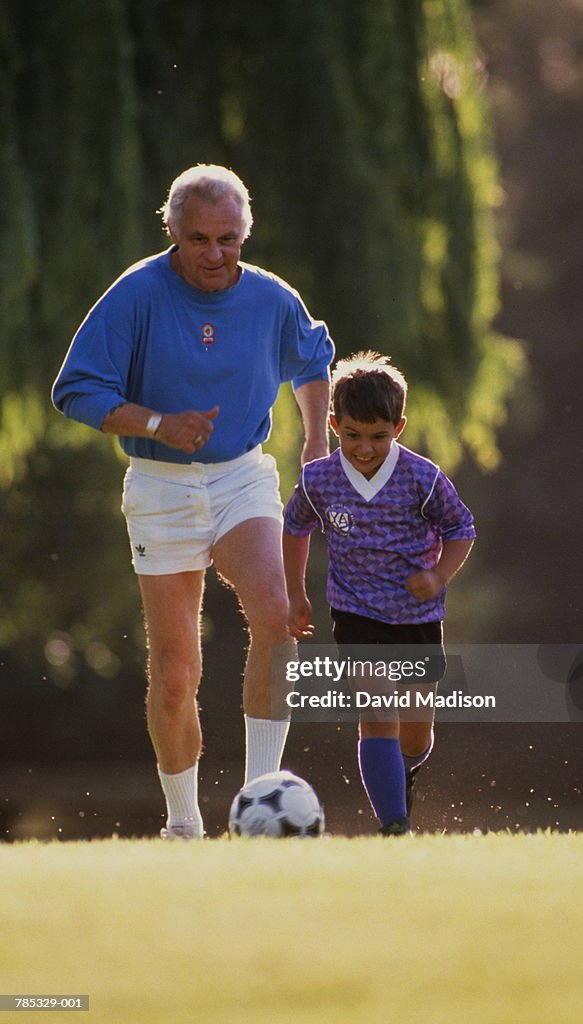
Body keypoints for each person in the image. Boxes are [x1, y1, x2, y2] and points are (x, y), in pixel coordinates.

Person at [52, 164, 333, 839]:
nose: (215, 254)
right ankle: (183, 827)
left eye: (229, 239)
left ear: (245, 235)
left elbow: (313, 359)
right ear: (172, 231)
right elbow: (75, 390)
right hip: (160, 488)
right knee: (176, 674)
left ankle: (258, 802)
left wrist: (315, 444)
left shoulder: (270, 298)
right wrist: (157, 424)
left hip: (241, 477)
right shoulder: (135, 295)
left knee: (274, 613)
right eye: (199, 238)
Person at [282, 351, 475, 835]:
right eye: (351, 435)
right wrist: (295, 594)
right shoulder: (318, 479)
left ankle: (402, 775)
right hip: (356, 613)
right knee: (376, 716)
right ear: (333, 424)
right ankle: (394, 826)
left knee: (415, 730)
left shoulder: (423, 478)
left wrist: (438, 577)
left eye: (377, 437)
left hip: (417, 617)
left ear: (399, 427)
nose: (364, 448)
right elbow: (294, 528)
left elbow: (462, 529)